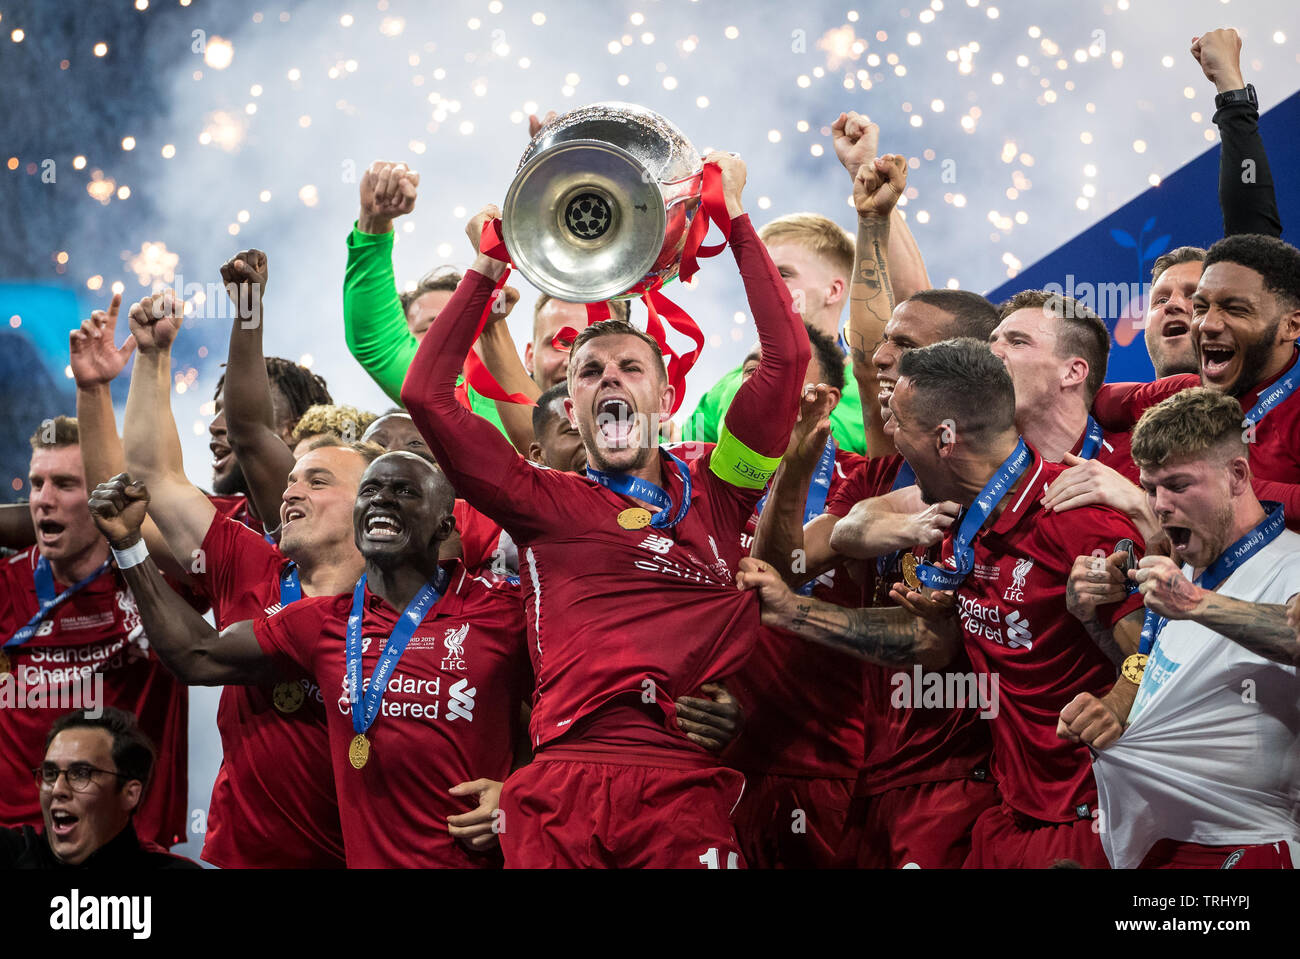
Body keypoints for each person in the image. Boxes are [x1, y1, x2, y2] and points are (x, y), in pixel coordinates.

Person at [403, 150, 809, 868]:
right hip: (563, 785)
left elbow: (785, 361)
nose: (609, 379)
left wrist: (735, 220)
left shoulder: (723, 489)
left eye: (630, 368)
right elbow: (427, 399)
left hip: (685, 785)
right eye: (590, 372)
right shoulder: (541, 501)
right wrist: (488, 268)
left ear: (667, 397)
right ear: (574, 403)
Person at [742, 338, 1148, 868]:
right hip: (1012, 811)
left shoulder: (1076, 520)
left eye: (899, 423)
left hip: (1090, 811)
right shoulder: (952, 522)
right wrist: (790, 610)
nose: (887, 435)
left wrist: (1118, 701)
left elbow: (1155, 652)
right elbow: (930, 640)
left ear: (945, 437)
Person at [87, 456, 531, 868]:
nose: (382, 500)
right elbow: (197, 655)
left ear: (443, 526)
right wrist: (129, 546)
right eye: (370, 491)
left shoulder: (506, 609)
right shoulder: (324, 624)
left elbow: (582, 708)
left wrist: (521, 791)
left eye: (404, 492)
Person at [752, 169, 1001, 867]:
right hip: (877, 779)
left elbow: (935, 643)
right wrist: (802, 466)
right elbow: (785, 567)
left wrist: (797, 613)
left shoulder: (1015, 483)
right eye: (882, 351)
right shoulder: (881, 475)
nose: (883, 363)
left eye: (908, 357)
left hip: (965, 782)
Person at [1068, 388, 1300, 869]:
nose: (1160, 504)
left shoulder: (1292, 562)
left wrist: (1194, 603)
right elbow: (1163, 671)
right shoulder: (1184, 565)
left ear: (1236, 475)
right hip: (1161, 844)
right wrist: (1094, 625)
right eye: (1151, 488)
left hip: (1253, 842)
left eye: (1177, 484)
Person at [684, 112, 931, 458]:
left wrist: (865, 175)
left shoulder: (880, 381)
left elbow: (920, 314)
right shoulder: (723, 389)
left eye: (782, 274)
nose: (765, 285)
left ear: (834, 290)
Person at [0, 417, 189, 850]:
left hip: (131, 846)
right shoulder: (5, 585)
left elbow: (217, 528)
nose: (43, 500)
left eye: (65, 484)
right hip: (20, 848)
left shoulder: (156, 581)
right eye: (35, 484)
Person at [342, 160, 626, 438]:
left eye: (595, 348)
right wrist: (373, 224)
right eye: (560, 343)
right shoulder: (474, 407)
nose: (574, 362)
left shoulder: (656, 446)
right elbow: (379, 342)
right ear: (529, 356)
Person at [1092, 234, 1300, 529]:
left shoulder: (1287, 404)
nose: (1205, 323)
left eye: (1193, 297)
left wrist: (1213, 485)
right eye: (1160, 299)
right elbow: (1098, 399)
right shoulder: (1181, 394)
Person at [990, 291, 1161, 544]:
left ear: (1072, 372)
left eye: (1017, 342)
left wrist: (1140, 505)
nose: (992, 352)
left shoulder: (1149, 463)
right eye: (991, 342)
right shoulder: (976, 478)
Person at [0, 708, 199, 869]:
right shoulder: (11, 855)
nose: (57, 789)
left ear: (130, 794)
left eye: (81, 774)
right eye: (50, 774)